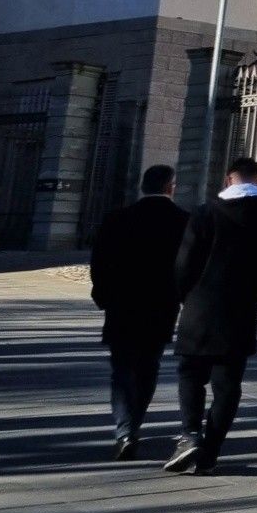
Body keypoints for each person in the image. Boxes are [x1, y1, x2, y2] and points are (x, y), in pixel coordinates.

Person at [166, 155, 257, 475]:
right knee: (228, 384)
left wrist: (186, 296)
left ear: (227, 180)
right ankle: (211, 450)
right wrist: (253, 298)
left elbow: (185, 262)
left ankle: (190, 434)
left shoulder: (206, 213)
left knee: (190, 373)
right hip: (241, 312)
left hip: (201, 307)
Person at [90, 164, 190, 460]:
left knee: (121, 369)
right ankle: (134, 425)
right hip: (161, 306)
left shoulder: (117, 219)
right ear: (170, 187)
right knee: (149, 367)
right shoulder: (183, 221)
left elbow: (99, 263)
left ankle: (124, 430)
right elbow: (187, 266)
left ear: (143, 186)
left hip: (121, 306)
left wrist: (104, 297)